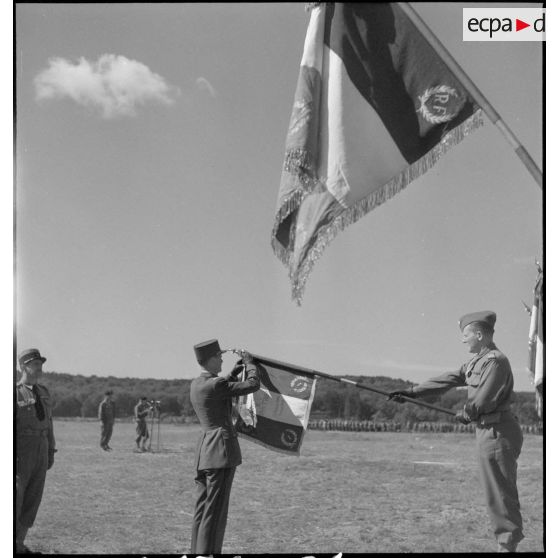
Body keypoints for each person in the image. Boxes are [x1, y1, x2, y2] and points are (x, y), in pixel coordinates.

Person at [389, 311, 524, 553]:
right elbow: (449, 379)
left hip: (498, 431)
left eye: (466, 335)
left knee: (501, 493)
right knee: (495, 493)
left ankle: (507, 546)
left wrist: (467, 413)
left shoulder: (495, 361)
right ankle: (505, 544)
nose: (463, 340)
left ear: (479, 335)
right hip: (487, 430)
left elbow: (483, 399)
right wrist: (412, 392)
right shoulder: (477, 361)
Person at [189, 339, 260, 556]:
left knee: (202, 509)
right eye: (218, 356)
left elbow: (220, 390)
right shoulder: (216, 384)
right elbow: (252, 385)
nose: (221, 359)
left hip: (205, 452)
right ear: (209, 360)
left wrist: (234, 371)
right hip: (221, 452)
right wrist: (249, 364)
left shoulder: (197, 383)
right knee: (216, 511)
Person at [15, 348, 57, 554]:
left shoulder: (44, 393)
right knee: (16, 496)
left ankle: (19, 544)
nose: (39, 368)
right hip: (21, 449)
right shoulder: (14, 392)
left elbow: (49, 423)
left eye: (41, 364)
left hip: (41, 447)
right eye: (35, 364)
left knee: (34, 496)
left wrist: (51, 449)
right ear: (23, 366)